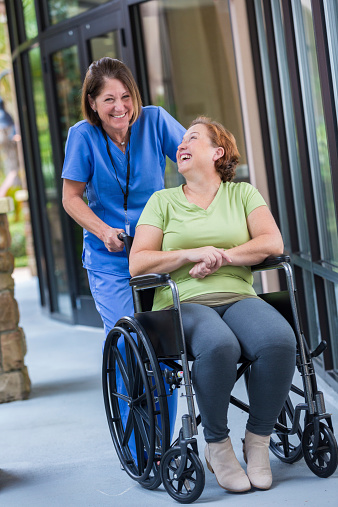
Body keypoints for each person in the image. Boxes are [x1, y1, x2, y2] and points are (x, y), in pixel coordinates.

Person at [129, 116, 297, 493]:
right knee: (220, 345)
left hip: (237, 295)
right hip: (182, 301)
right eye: (180, 142)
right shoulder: (163, 201)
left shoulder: (243, 195)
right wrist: (191, 253)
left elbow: (272, 244)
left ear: (217, 152)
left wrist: (222, 256)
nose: (181, 145)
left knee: (278, 341)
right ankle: (217, 446)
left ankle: (257, 441)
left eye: (192, 138)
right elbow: (138, 262)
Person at [62, 57, 185, 445]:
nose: (120, 107)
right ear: (93, 104)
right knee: (129, 340)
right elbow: (71, 197)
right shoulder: (83, 136)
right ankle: (138, 444)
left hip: (154, 252)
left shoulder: (155, 121)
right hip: (110, 259)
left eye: (126, 96)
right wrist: (102, 230)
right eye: (109, 99)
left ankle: (162, 445)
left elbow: (193, 159)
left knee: (163, 346)